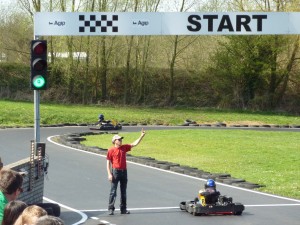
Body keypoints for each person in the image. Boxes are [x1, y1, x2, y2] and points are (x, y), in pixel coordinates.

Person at [106, 129, 146, 215]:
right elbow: (108, 163)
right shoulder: (111, 150)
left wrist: (141, 136)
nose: (121, 140)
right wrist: (109, 174)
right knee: (113, 191)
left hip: (124, 172)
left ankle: (123, 209)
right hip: (115, 172)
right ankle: (111, 208)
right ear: (114, 141)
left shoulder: (124, 147)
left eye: (121, 139)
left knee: (123, 192)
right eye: (119, 139)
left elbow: (134, 144)